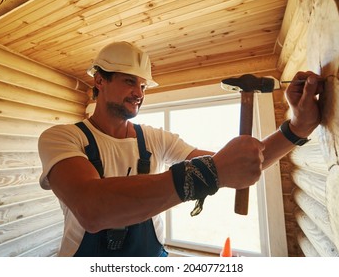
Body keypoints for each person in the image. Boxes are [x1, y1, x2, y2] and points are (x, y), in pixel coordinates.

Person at [38, 41, 323, 257]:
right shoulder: (62, 138)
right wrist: (207, 173)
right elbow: (92, 210)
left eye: (143, 85)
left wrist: (297, 127)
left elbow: (236, 165)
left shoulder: (155, 139)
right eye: (129, 81)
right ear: (99, 80)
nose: (139, 93)